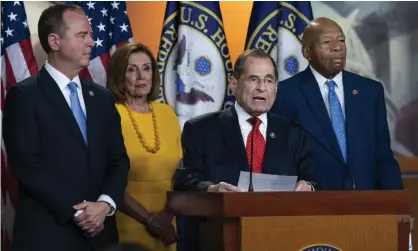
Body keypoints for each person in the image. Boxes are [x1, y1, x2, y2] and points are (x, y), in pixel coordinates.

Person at [2, 4, 130, 251]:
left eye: (91, 35)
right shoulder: (24, 96)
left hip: (102, 236)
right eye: (82, 35)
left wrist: (104, 205)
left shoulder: (102, 98)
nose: (91, 42)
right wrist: (80, 213)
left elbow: (119, 160)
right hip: (49, 234)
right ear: (54, 41)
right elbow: (28, 166)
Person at [173, 48, 317, 251]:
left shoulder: (294, 133)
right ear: (234, 83)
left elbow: (314, 178)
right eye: (253, 79)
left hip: (282, 237)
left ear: (276, 86)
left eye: (268, 80)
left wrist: (308, 186)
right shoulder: (201, 129)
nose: (261, 88)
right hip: (222, 237)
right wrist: (212, 189)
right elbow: (184, 179)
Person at [271, 17, 403, 190]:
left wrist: (396, 204)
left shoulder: (370, 92)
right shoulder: (285, 94)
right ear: (306, 52)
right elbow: (280, 158)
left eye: (341, 40)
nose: (337, 47)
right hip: (313, 207)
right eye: (327, 42)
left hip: (366, 206)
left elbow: (383, 157)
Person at [106, 42, 181, 251]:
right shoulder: (109, 114)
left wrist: (166, 217)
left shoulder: (168, 114)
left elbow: (180, 174)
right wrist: (150, 220)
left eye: (147, 68)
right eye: (132, 69)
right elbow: (106, 177)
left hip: (168, 224)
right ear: (119, 75)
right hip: (126, 223)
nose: (141, 76)